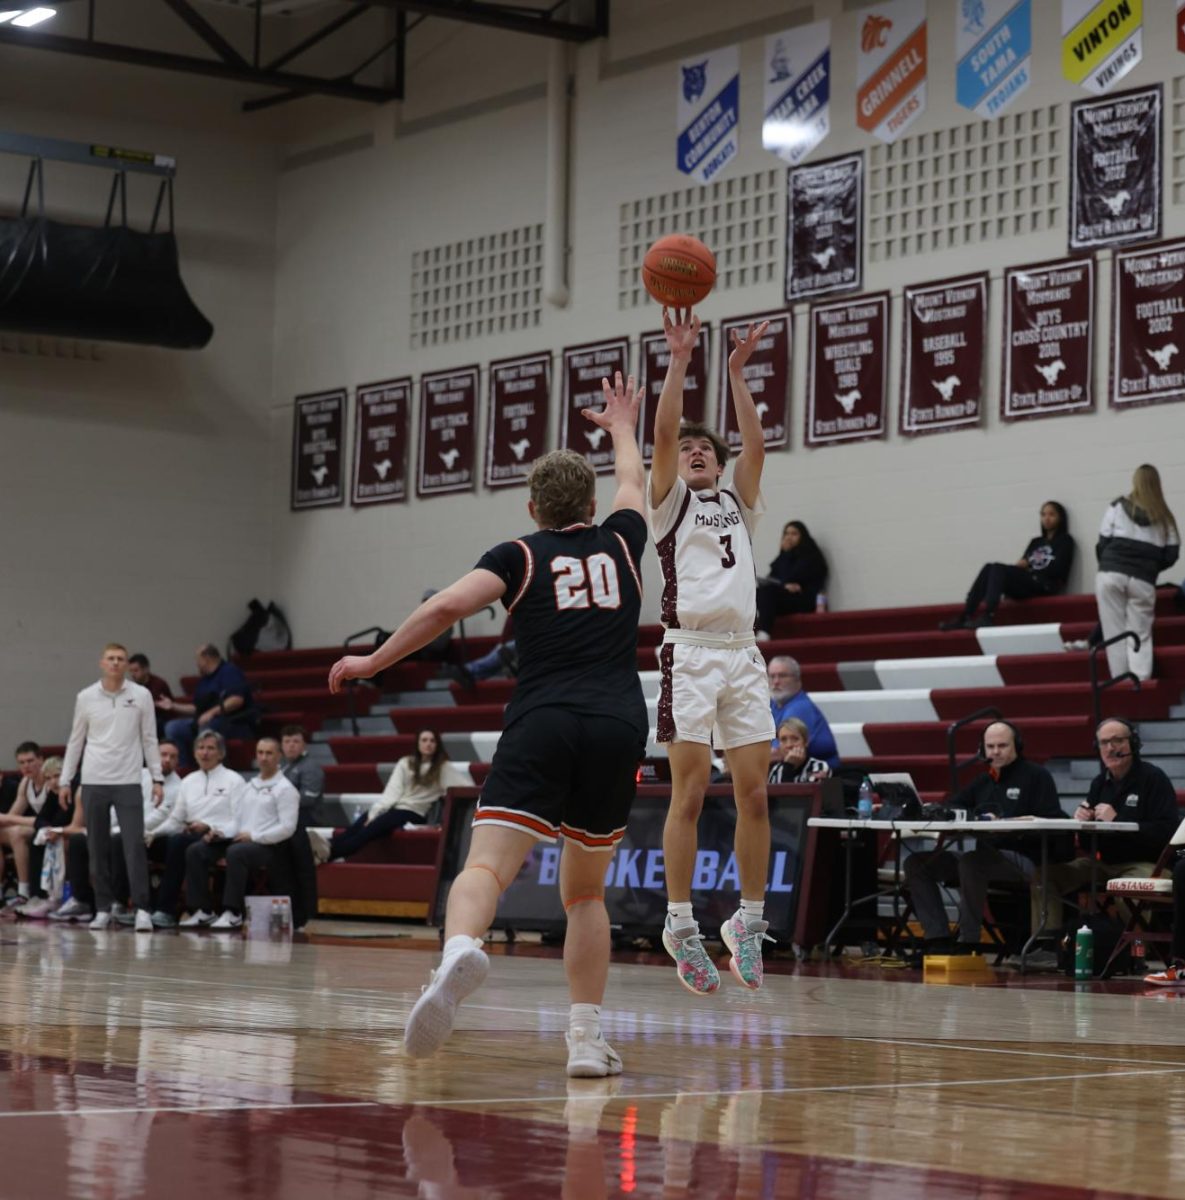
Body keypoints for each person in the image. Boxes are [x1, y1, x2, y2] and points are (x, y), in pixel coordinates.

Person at [329, 367, 647, 1077]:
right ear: (591, 505)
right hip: (618, 725)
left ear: (532, 506)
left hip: (544, 720)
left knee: (484, 867)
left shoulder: (519, 554)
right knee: (586, 892)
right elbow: (633, 480)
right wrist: (623, 427)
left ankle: (461, 950)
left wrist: (375, 659)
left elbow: (445, 608)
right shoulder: (624, 541)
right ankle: (585, 1041)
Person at [645, 309, 775, 996]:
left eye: (705, 449)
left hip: (742, 655)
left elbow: (755, 449)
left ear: (718, 464)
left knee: (754, 795)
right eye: (687, 448)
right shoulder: (668, 505)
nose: (694, 450)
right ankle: (678, 922)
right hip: (689, 654)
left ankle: (746, 924)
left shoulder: (738, 501)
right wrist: (681, 360)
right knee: (690, 793)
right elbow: (664, 431)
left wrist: (732, 374)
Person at [903, 721, 1068, 957]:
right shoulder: (984, 781)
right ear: (982, 750)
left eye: (1002, 745)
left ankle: (969, 940)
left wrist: (1009, 822)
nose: (996, 752)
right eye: (990, 747)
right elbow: (954, 805)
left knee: (971, 861)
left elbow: (1054, 819)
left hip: (1025, 860)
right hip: (985, 858)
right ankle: (937, 938)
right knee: (917, 863)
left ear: (1017, 746)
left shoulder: (1036, 776)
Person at [1033, 718, 1179, 937]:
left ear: (1134, 744)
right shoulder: (1099, 783)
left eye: (1118, 740)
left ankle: (1137, 951)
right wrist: (1083, 822)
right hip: (1104, 864)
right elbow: (1086, 844)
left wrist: (1118, 820)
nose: (1111, 748)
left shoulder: (1153, 778)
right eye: (1104, 743)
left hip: (1147, 863)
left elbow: (1167, 832)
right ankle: (1046, 942)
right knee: (1044, 876)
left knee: (1126, 887)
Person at [59, 643, 164, 933]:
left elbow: (150, 739)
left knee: (133, 847)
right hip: (94, 781)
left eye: (121, 659)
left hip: (128, 781)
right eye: (111, 659)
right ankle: (103, 908)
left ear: (127, 664)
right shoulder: (86, 697)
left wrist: (157, 778)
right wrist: (66, 780)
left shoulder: (141, 696)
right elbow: (76, 740)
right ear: (102, 663)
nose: (116, 663)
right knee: (97, 847)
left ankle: (142, 908)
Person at [186, 737, 300, 930]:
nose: (263, 758)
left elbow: (287, 828)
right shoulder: (250, 786)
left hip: (269, 846)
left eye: (269, 753)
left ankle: (233, 912)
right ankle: (203, 910)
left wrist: (254, 836)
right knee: (196, 850)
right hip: (242, 840)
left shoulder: (286, 789)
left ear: (279, 756)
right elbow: (236, 820)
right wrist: (218, 831)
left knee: (236, 852)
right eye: (260, 753)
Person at [309, 729, 469, 865]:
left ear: (437, 745)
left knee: (367, 832)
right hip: (393, 808)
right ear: (418, 743)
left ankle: (327, 854)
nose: (428, 744)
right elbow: (392, 792)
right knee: (356, 827)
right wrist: (374, 812)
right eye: (424, 740)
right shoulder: (405, 762)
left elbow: (465, 787)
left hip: (413, 813)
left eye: (432, 741)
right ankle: (326, 848)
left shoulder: (443, 768)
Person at [149, 730, 245, 929]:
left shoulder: (234, 780)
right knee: (147, 844)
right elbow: (176, 819)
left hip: (221, 837)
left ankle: (167, 910)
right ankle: (141, 907)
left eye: (211, 748)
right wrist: (152, 833)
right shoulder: (189, 781)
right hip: (190, 834)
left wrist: (212, 828)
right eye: (201, 748)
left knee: (179, 844)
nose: (205, 753)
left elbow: (239, 819)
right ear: (194, 753)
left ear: (221, 754)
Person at [1096, 466, 1180, 682]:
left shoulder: (1117, 506)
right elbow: (1171, 553)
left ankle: (1120, 679)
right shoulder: (1165, 516)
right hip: (1143, 578)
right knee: (1140, 631)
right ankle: (1140, 679)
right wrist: (1151, 567)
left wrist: (1110, 562)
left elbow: (1103, 542)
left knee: (1113, 629)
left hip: (1110, 573)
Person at [940, 501, 1075, 630]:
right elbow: (1023, 563)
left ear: (1060, 517)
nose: (1047, 518)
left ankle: (988, 615)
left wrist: (1029, 565)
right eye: (1043, 514)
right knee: (990, 567)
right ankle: (966, 615)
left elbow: (1059, 570)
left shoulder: (1065, 541)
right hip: (1028, 581)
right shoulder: (1036, 542)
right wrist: (1022, 566)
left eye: (1051, 514)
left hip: (1044, 585)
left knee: (998, 568)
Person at [159, 643, 257, 767]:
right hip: (205, 721)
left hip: (234, 723)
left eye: (198, 659)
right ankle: (183, 769)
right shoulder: (205, 680)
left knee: (207, 728)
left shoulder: (229, 671)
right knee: (173, 727)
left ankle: (207, 767)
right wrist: (173, 706)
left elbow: (236, 699)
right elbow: (196, 708)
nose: (197, 663)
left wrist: (211, 713)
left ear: (206, 658)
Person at [280, 724, 323, 930]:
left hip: (305, 820)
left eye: (295, 741)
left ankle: (305, 911)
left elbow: (308, 799)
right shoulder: (282, 767)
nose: (291, 746)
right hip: (286, 820)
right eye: (287, 742)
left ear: (303, 744)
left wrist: (278, 801)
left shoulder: (310, 767)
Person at [755, 520, 827, 639]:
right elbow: (774, 578)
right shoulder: (784, 556)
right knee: (758, 592)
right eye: (787, 534)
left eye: (794, 534)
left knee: (768, 592)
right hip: (783, 596)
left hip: (803, 598)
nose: (789, 537)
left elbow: (797, 577)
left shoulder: (811, 556)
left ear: (802, 536)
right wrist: (785, 554)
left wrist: (794, 586)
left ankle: (764, 632)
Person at [766, 657, 839, 770]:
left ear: (797, 680)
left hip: (820, 778)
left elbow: (778, 753)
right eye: (772, 676)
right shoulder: (773, 705)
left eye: (782, 676)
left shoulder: (800, 707)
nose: (776, 682)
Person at [0, 742, 47, 907]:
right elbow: (11, 816)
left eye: (30, 761)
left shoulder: (51, 780)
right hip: (37, 827)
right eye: (22, 762)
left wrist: (5, 819)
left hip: (54, 826)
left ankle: (24, 891)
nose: (26, 766)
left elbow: (46, 819)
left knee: (17, 832)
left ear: (41, 760)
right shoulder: (25, 782)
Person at [767, 719, 831, 784]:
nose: (789, 745)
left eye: (795, 739)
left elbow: (806, 793)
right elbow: (779, 793)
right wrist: (787, 767)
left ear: (806, 742)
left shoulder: (820, 766)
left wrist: (788, 766)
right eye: (783, 740)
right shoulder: (776, 770)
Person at [127, 652, 174, 735]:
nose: (132, 674)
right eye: (131, 671)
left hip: (159, 719)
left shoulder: (158, 684)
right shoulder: (133, 686)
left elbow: (162, 708)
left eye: (136, 670)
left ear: (146, 669)